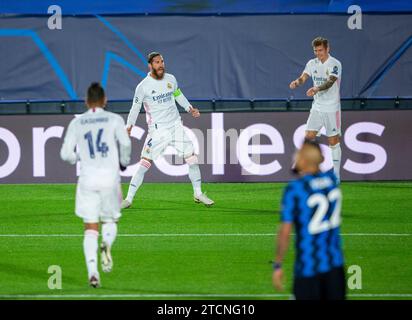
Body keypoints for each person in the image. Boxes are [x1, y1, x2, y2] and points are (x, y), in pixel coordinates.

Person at [60, 82, 131, 288]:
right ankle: (107, 245)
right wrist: (124, 162)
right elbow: (125, 143)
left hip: (88, 179)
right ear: (105, 100)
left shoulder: (78, 122)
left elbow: (65, 154)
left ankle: (93, 273)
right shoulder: (114, 119)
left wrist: (76, 158)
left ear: (86, 101)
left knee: (90, 227)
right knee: (110, 221)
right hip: (110, 179)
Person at [121, 52, 214, 209]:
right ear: (150, 65)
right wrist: (129, 126)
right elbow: (135, 108)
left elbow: (178, 94)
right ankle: (128, 199)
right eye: (157, 62)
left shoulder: (171, 79)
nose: (161, 64)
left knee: (192, 158)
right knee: (145, 163)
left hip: (176, 126)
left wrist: (189, 108)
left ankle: (198, 194)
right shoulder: (143, 87)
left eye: (162, 61)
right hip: (157, 131)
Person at [272, 139, 346, 300]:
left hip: (308, 267)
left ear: (304, 160)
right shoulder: (332, 182)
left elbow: (285, 231)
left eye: (298, 155)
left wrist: (277, 264)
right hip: (336, 266)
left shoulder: (295, 189)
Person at [289, 37, 342, 183]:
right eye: (316, 51)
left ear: (327, 48)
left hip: (332, 108)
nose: (318, 53)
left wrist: (316, 88)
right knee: (308, 136)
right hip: (317, 107)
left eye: (320, 50)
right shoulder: (312, 63)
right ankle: (308, 171)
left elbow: (331, 81)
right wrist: (297, 82)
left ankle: (336, 174)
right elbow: (304, 77)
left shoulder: (335, 64)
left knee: (333, 140)